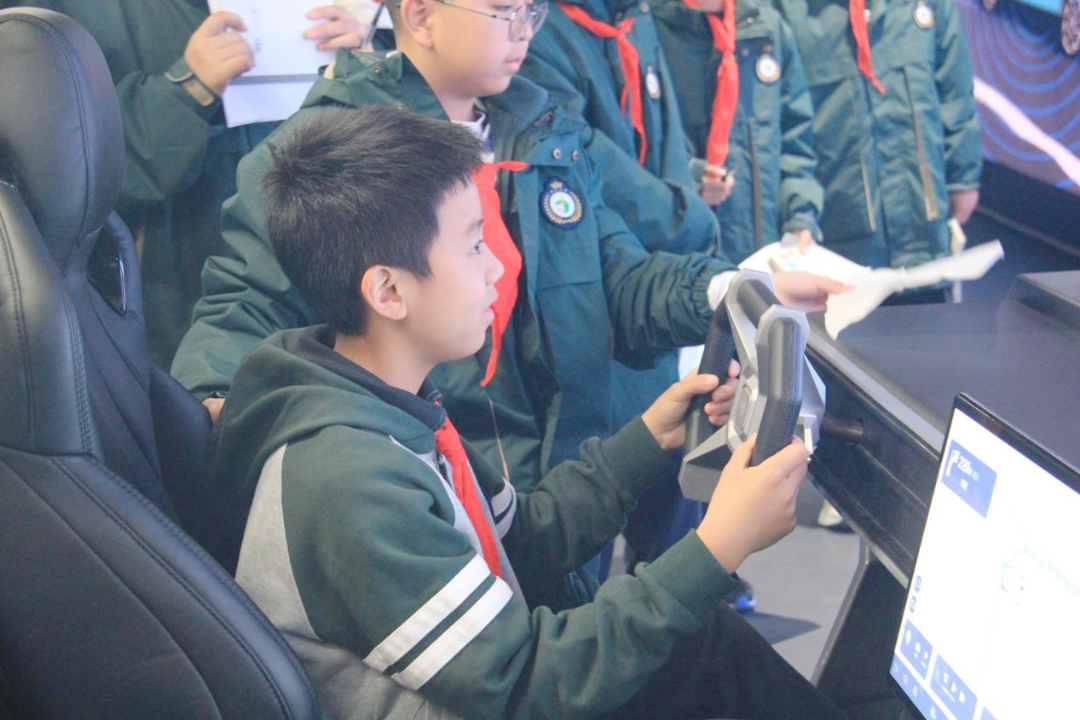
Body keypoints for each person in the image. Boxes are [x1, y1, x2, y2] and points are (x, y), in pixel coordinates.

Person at [172, 0, 845, 605]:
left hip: (558, 499)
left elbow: (617, 275)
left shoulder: (543, 128)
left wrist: (729, 288)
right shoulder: (335, 154)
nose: (524, 30)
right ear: (420, 15)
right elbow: (244, 304)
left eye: (533, 11)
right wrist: (217, 402)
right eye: (502, 11)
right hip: (448, 496)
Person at [212, 104, 842, 719]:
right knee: (710, 659)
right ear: (388, 290)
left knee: (707, 650)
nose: (500, 266)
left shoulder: (387, 404)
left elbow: (520, 544)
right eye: (474, 246)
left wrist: (649, 439)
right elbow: (523, 686)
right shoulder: (349, 478)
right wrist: (717, 546)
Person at [4, 0, 369, 366]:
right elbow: (48, 174)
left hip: (328, 313)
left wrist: (363, 74)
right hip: (167, 323)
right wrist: (188, 87)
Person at [518, 0, 730, 581]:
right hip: (601, 280)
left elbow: (664, 143)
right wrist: (688, 216)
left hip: (654, 276)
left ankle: (677, 592)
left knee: (669, 472)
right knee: (591, 497)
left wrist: (687, 209)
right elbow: (592, 164)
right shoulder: (539, 34)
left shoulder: (634, 20)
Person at [772, 0, 982, 273]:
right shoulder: (783, 10)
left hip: (926, 237)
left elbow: (956, 90)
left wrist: (963, 177)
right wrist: (797, 211)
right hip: (840, 249)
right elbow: (785, 129)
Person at [653, 0, 824, 264]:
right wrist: (689, 179)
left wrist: (799, 214)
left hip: (767, 250)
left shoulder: (769, 28)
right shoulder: (653, 29)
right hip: (688, 257)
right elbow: (644, 146)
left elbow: (795, 138)